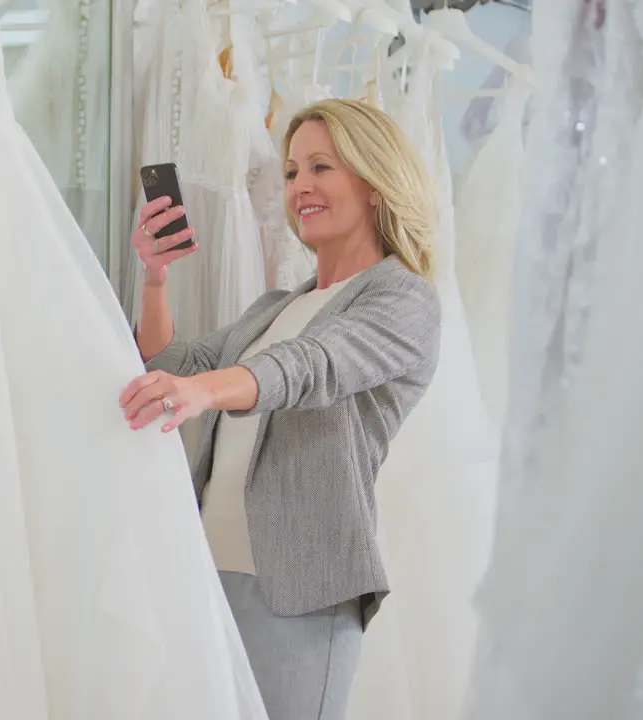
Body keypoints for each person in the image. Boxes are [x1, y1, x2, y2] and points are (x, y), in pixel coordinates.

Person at [119, 98, 442, 720]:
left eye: (322, 166)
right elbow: (172, 363)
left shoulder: (404, 299)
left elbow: (312, 367)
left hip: (298, 589)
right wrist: (155, 280)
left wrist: (208, 391)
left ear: (374, 183)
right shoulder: (276, 305)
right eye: (293, 172)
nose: (301, 187)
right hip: (211, 569)